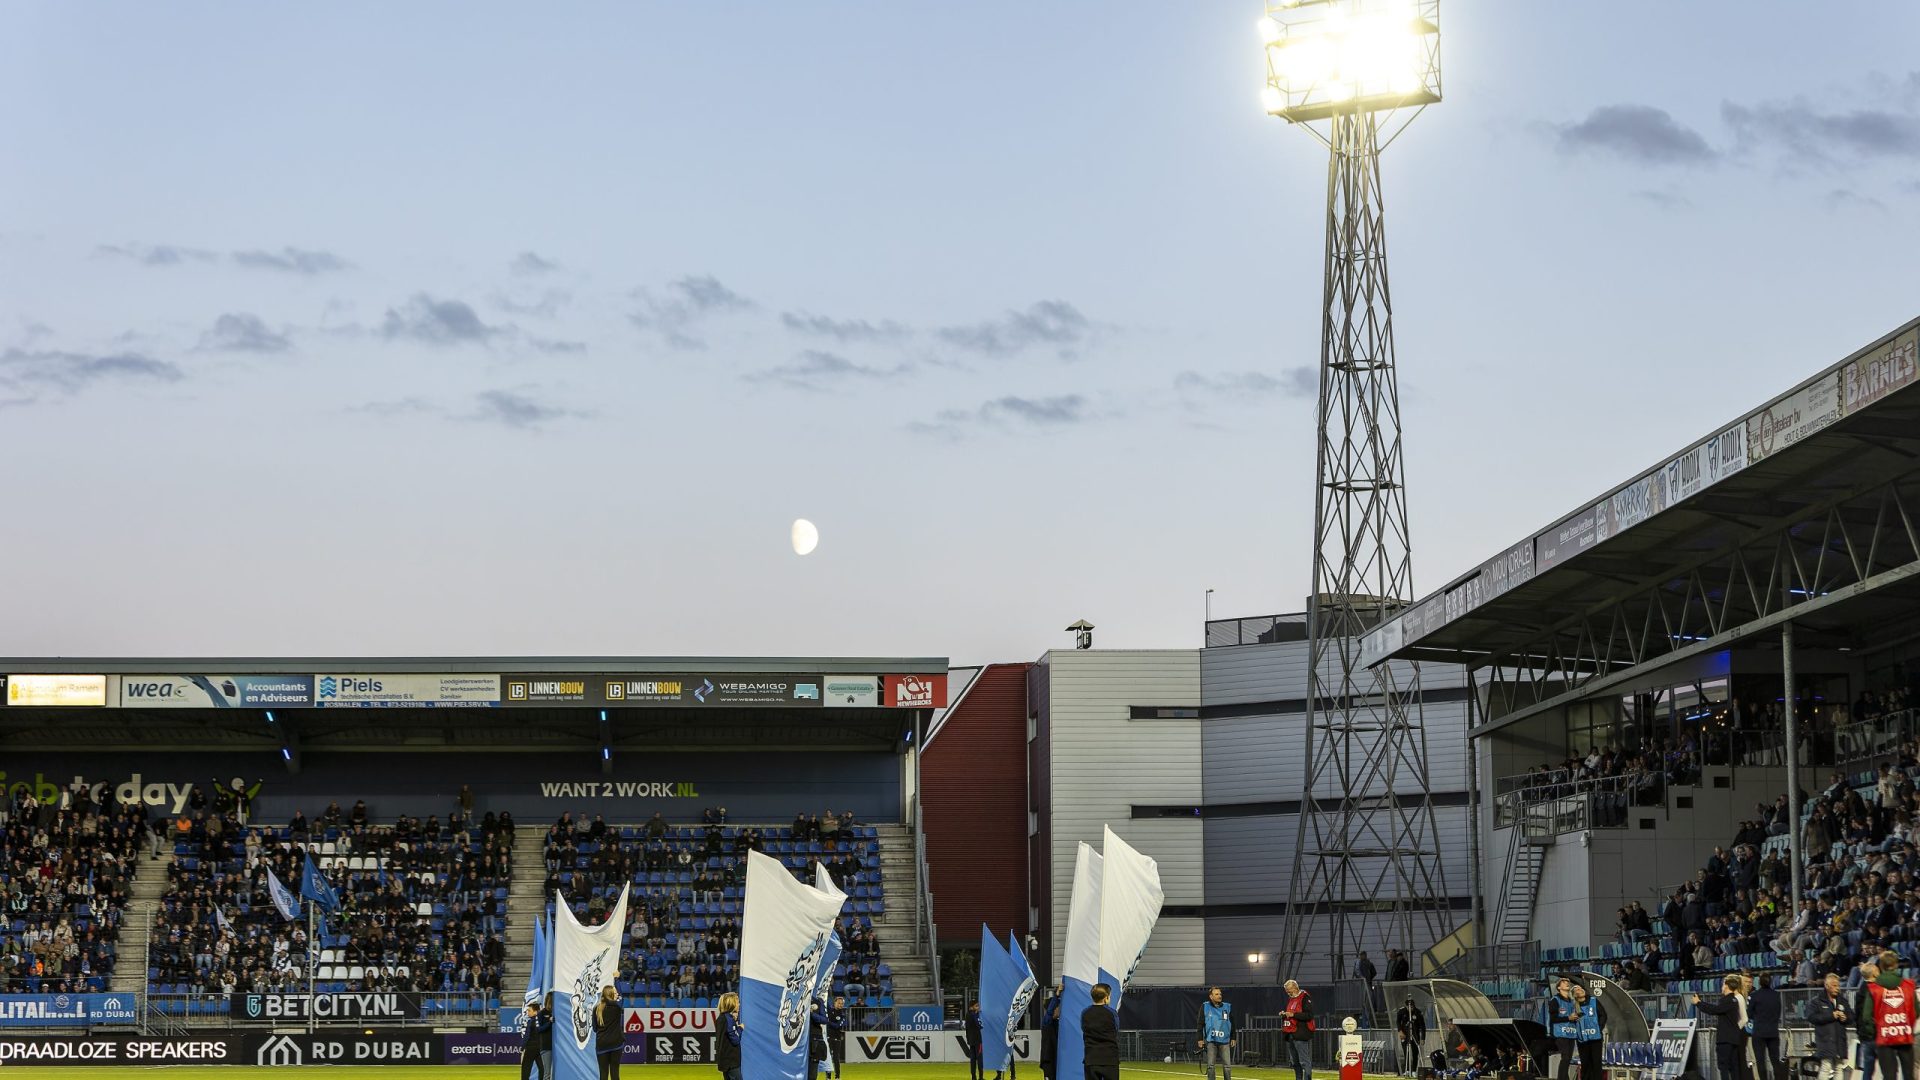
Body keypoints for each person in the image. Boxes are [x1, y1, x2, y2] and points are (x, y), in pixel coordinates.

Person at [1866, 951, 1916, 1080]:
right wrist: (1906, 1025)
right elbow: (1917, 1011)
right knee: (1909, 1076)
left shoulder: (1873, 988)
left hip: (1884, 1036)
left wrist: (1874, 1031)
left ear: (1881, 966)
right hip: (1904, 1035)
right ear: (1896, 965)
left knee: (1889, 1076)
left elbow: (1866, 1016)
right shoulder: (1909, 985)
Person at [1694, 975, 1752, 1080]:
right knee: (1734, 1067)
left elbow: (1715, 1010)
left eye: (1723, 984)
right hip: (1733, 1039)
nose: (1721, 986)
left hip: (1726, 1039)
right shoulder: (1734, 1000)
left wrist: (1699, 1003)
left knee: (1724, 1067)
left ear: (1726, 986)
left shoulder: (1729, 1000)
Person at [1805, 973, 1854, 1080]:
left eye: (1838, 986)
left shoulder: (1843, 1001)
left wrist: (1846, 1018)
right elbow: (1811, 1017)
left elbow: (1851, 1016)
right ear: (1827, 986)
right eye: (1834, 986)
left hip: (1839, 1040)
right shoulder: (1816, 1001)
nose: (1838, 988)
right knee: (1826, 1067)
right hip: (1825, 1040)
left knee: (1839, 1067)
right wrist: (1831, 1016)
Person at [1081, 983, 1120, 1080]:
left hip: (1091, 1058)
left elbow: (1083, 1028)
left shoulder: (1085, 1013)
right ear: (1106, 998)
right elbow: (1116, 1028)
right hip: (1109, 1058)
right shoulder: (1112, 1013)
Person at [1196, 987, 1234, 1080]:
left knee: (1227, 1066)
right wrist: (1200, 1039)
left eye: (1220, 994)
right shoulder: (1205, 1006)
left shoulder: (1227, 1007)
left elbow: (1233, 1023)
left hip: (1224, 1040)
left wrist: (1233, 1037)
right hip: (1211, 1040)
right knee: (1211, 1066)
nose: (1219, 996)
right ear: (1211, 996)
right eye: (1216, 994)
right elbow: (1200, 1023)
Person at [1750, 973, 1783, 1080]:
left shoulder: (1755, 995)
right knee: (1775, 1060)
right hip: (1773, 1031)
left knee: (1760, 1061)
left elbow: (1749, 1013)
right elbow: (1778, 1012)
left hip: (1759, 1032)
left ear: (1759, 982)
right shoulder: (1776, 995)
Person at [1281, 979, 1314, 1080]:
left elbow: (1309, 1015)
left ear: (1295, 987)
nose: (1288, 992)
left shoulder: (1304, 997)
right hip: (1290, 1034)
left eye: (1289, 990)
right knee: (1295, 1062)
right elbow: (1291, 1015)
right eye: (1286, 990)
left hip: (1301, 1034)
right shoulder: (1291, 998)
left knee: (1304, 1061)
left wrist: (1293, 1014)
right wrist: (1284, 1015)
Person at [1548, 978, 1579, 1080]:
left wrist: (1576, 1018)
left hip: (1571, 1033)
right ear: (1559, 987)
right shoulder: (1555, 1000)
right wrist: (1568, 1018)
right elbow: (1553, 1018)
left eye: (1568, 983)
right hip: (1560, 1033)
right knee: (1565, 1057)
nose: (1567, 984)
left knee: (1568, 1059)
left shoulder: (1571, 1001)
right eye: (1564, 983)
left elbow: (1572, 1018)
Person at [1572, 982, 1604, 1080]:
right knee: (1585, 1063)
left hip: (1596, 1038)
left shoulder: (1594, 1000)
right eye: (1577, 989)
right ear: (1574, 995)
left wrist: (1599, 1028)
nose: (1580, 989)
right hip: (1582, 1039)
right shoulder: (1573, 1007)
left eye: (1581, 988)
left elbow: (1603, 1015)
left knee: (1596, 1063)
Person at [1858, 960, 1883, 1080]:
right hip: (1877, 1034)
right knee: (1887, 1069)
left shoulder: (1860, 989)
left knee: (1867, 1070)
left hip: (1865, 1036)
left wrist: (1861, 1033)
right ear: (1874, 974)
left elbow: (1857, 1014)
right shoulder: (1877, 989)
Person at [522, 995, 554, 1080]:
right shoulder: (539, 1016)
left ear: (535, 1011)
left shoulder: (533, 1021)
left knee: (526, 1067)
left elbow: (528, 1035)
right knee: (542, 1068)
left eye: (529, 1010)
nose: (527, 1012)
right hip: (540, 1046)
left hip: (532, 1047)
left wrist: (522, 1047)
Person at [596, 985, 624, 1080]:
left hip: (602, 1044)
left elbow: (595, 1028)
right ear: (611, 994)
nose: (617, 994)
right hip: (616, 1044)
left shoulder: (597, 1009)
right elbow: (622, 996)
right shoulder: (617, 1006)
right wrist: (617, 979)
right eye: (615, 993)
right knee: (615, 1073)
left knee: (603, 1074)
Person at [717, 992, 743, 1080]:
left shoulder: (721, 1018)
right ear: (731, 1003)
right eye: (737, 1001)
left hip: (724, 1060)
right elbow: (735, 1040)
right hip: (731, 1062)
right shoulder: (728, 1019)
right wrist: (740, 1028)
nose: (739, 1004)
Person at [1397, 996, 1426, 1078]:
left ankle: (1413, 1070)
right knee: (1406, 1053)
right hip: (1405, 1035)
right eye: (1408, 1007)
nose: (1410, 1008)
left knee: (1415, 1053)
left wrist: (1422, 1038)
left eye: (1412, 1007)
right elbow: (1398, 1021)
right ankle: (1407, 1070)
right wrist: (1400, 1031)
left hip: (1415, 1035)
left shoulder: (1418, 1013)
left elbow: (1422, 1026)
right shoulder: (1402, 1012)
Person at [1040, 986, 1061, 1080]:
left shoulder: (1058, 1023)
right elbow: (1049, 1012)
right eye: (1057, 1008)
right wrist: (1057, 995)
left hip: (1056, 1059)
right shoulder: (1046, 1022)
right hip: (1048, 1060)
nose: (1059, 1010)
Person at [967, 999, 987, 1080]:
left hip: (971, 1040)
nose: (978, 1007)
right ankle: (981, 1077)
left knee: (972, 1059)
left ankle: (973, 1077)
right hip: (977, 1040)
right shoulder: (974, 1015)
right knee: (979, 1059)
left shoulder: (967, 1014)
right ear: (972, 1007)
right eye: (976, 1006)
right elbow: (979, 1025)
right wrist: (978, 1015)